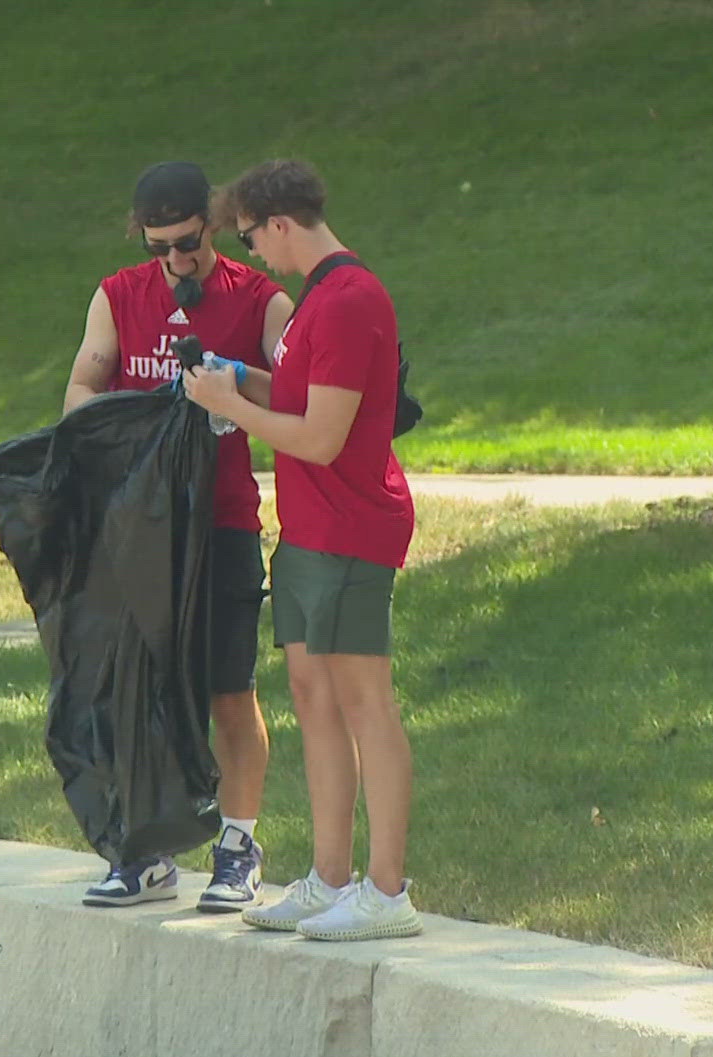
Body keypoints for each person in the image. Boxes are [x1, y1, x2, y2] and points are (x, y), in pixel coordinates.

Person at [182, 159, 422, 941]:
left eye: (252, 238)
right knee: (314, 697)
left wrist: (229, 406)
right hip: (310, 531)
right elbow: (299, 399)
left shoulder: (350, 300)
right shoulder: (320, 304)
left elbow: (320, 438)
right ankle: (327, 879)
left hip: (351, 529)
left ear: (279, 223)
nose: (255, 254)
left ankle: (386, 893)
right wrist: (240, 379)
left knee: (364, 703)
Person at [62, 161, 293, 913]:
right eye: (159, 246)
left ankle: (238, 843)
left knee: (230, 690)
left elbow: (296, 397)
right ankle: (148, 848)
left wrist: (228, 386)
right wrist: (120, 426)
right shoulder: (118, 296)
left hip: (222, 521)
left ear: (213, 228)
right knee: (143, 692)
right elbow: (81, 391)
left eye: (187, 243)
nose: (174, 261)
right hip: (143, 529)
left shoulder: (261, 300)